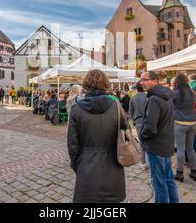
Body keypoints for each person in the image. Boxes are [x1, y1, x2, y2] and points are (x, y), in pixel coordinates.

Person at [67, 69, 128, 203]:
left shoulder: (76, 109)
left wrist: (77, 164)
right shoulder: (116, 106)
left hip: (86, 163)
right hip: (113, 162)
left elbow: (72, 143)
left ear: (86, 85)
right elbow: (125, 132)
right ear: (105, 84)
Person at [139, 71, 179, 203]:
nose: (142, 82)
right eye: (141, 80)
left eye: (145, 80)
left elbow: (150, 127)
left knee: (159, 182)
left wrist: (142, 136)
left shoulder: (154, 99)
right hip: (166, 144)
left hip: (156, 146)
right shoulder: (166, 96)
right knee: (168, 179)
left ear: (155, 81)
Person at [172, 73, 196, 182]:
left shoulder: (175, 93)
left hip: (179, 123)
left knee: (180, 148)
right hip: (192, 123)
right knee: (190, 148)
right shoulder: (193, 93)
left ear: (176, 82)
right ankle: (194, 171)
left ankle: (180, 173)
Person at [129, 81, 148, 169]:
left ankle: (143, 162)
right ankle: (148, 161)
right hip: (148, 121)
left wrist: (133, 120)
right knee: (149, 141)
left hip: (138, 121)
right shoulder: (148, 96)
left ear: (136, 88)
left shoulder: (134, 97)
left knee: (141, 142)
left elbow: (131, 111)